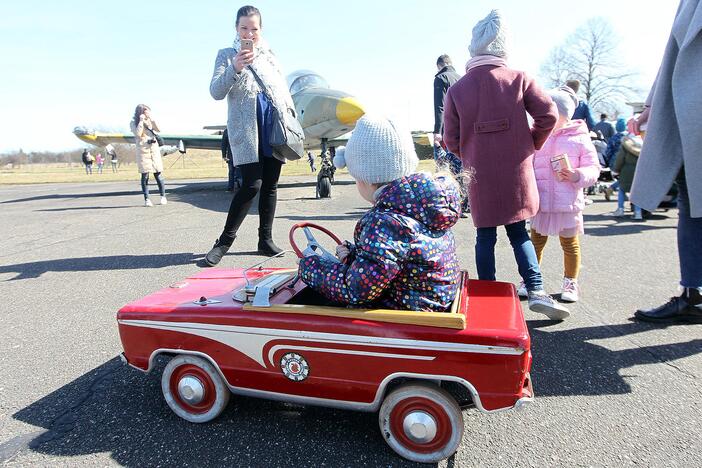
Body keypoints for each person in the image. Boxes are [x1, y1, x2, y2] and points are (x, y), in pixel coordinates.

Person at [443, 9, 569, 319]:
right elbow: (548, 116)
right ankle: (536, 289)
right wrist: (530, 143)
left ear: (474, 48)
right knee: (519, 233)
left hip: (479, 173)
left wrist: (469, 154)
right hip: (516, 171)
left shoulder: (457, 89)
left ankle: (486, 294)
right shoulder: (520, 79)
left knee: (485, 236)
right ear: (503, 47)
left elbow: (450, 138)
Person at [298, 115, 461, 311]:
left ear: (366, 179)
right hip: (429, 304)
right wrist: (353, 256)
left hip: (402, 317)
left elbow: (357, 290)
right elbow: (394, 262)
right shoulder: (423, 206)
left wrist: (310, 268)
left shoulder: (384, 222)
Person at [205, 5, 295, 266]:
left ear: (260, 29)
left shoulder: (270, 56)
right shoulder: (227, 55)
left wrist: (291, 119)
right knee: (251, 185)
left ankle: (265, 240)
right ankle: (224, 242)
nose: (249, 33)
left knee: (270, 186)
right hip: (247, 129)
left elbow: (283, 91)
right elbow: (215, 91)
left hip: (273, 126)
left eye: (254, 28)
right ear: (236, 28)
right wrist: (235, 67)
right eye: (244, 28)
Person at [631, 0, 702, 323]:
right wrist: (651, 104)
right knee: (692, 204)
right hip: (691, 110)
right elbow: (673, 52)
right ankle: (693, 294)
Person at [524, 88, 600, 304]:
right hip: (542, 201)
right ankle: (530, 280)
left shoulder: (580, 138)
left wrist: (578, 175)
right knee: (535, 243)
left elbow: (593, 167)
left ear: (564, 113)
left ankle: (571, 282)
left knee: (570, 244)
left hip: (567, 202)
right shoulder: (537, 135)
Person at [130, 104, 167, 207]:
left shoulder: (150, 121)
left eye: (149, 112)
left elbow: (158, 129)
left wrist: (152, 119)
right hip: (143, 151)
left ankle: (163, 196)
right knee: (145, 175)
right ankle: (147, 199)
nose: (148, 114)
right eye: (146, 112)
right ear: (141, 113)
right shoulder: (134, 123)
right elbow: (138, 134)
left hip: (153, 150)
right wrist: (141, 121)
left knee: (158, 174)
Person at [610, 135, 644, 220]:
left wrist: (616, 169)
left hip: (626, 171)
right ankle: (638, 212)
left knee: (622, 189)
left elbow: (620, 159)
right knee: (637, 192)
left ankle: (620, 209)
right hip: (639, 171)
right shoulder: (643, 147)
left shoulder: (625, 147)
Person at [603, 118, 628, 200]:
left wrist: (609, 161)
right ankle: (611, 188)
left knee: (622, 178)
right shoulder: (628, 138)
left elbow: (608, 151)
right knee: (625, 178)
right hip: (625, 161)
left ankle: (621, 194)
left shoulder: (613, 138)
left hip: (614, 162)